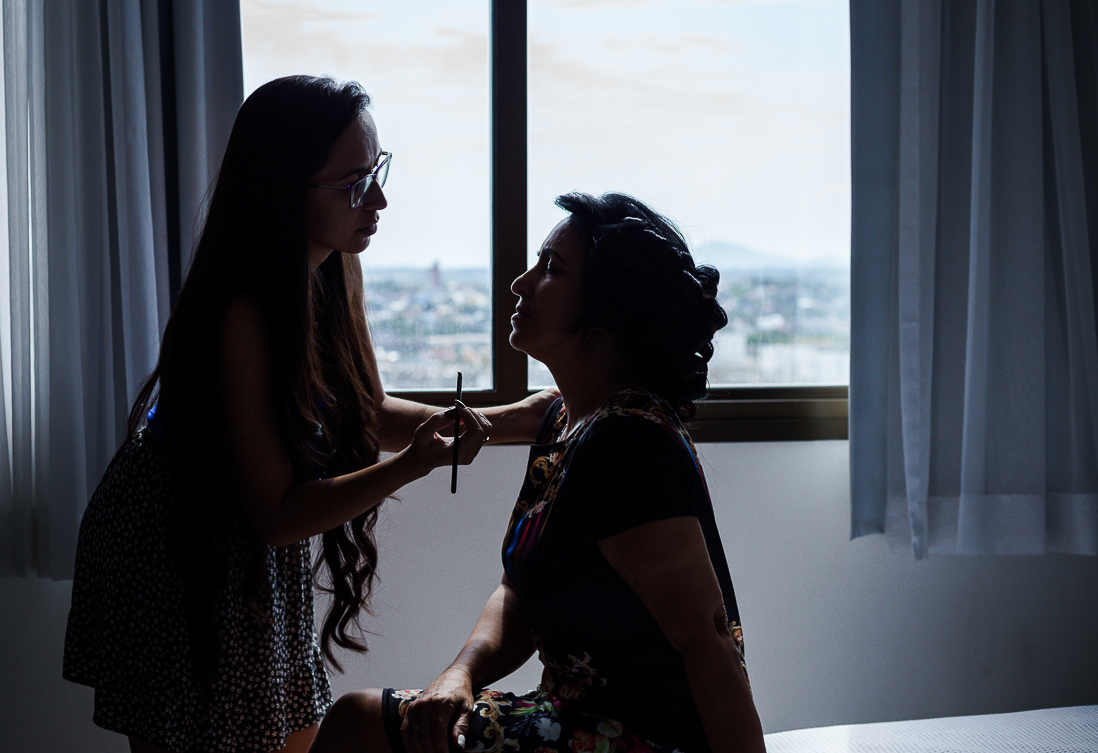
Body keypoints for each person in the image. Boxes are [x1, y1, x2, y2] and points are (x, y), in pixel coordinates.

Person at [63, 75, 556, 753]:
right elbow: (279, 514)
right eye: (353, 183)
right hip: (184, 550)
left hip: (246, 547)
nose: (379, 199)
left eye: (377, 171)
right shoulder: (242, 311)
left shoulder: (325, 269)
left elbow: (359, 412)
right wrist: (414, 464)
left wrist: (511, 422)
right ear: (282, 192)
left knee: (284, 730)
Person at [308, 192, 766, 753]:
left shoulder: (628, 443)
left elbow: (709, 639)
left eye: (552, 269)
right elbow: (518, 591)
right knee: (369, 721)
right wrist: (460, 675)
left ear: (605, 313)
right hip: (574, 716)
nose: (520, 284)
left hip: (643, 740)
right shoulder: (564, 419)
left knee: (358, 724)